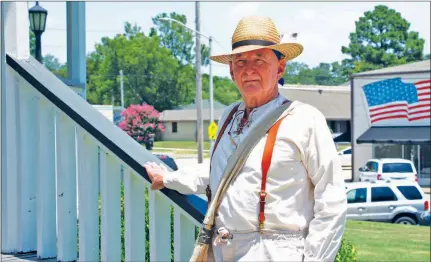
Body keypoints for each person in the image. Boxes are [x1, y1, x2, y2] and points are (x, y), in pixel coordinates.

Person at [144, 16, 347, 262]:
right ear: (231, 71)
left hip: (276, 254)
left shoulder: (305, 119)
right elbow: (221, 174)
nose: (249, 69)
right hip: (223, 250)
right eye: (240, 61)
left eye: (260, 59)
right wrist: (168, 178)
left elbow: (332, 201)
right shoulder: (229, 116)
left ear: (280, 68)